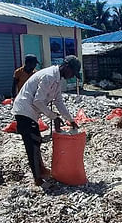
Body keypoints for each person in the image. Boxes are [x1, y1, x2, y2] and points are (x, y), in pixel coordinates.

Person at [11, 56, 81, 185]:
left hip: (31, 112)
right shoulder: (49, 76)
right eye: (72, 73)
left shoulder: (57, 79)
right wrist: (53, 116)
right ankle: (38, 179)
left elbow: (58, 101)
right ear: (66, 67)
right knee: (33, 144)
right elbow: (37, 101)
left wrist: (70, 120)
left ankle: (41, 170)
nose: (71, 76)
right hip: (24, 110)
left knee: (36, 141)